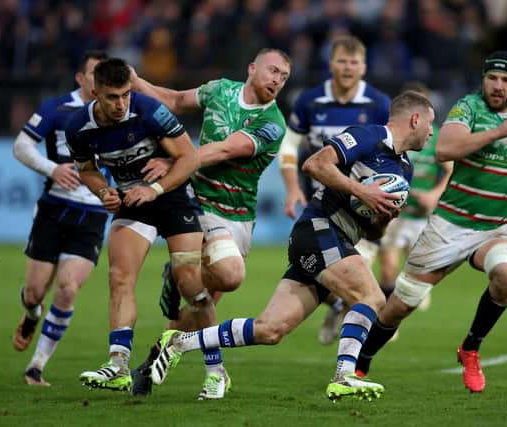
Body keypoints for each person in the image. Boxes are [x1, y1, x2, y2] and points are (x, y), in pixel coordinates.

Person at [148, 91, 435, 401]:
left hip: (338, 240)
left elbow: (374, 233)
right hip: (319, 229)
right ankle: (345, 375)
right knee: (372, 297)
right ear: (415, 119)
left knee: (270, 330)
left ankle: (180, 342)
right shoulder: (368, 135)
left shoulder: (404, 168)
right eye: (431, 124)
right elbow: (315, 164)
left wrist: (383, 217)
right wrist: (361, 192)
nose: (432, 132)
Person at [355, 51, 507, 393]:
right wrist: (499, 131)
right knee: (399, 306)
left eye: (505, 80)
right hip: (449, 225)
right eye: (492, 78)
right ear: (483, 79)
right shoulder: (468, 108)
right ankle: (361, 365)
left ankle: (470, 348)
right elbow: (445, 149)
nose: (497, 86)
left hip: (494, 229)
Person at [128, 48, 292, 399]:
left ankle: (158, 354)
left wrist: (176, 162)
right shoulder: (220, 90)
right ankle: (215, 373)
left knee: (202, 301)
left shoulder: (273, 123)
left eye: (284, 76)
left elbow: (222, 150)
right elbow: (172, 99)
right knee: (229, 277)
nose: (277, 79)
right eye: (273, 70)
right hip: (196, 202)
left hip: (235, 215)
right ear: (252, 68)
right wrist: (135, 81)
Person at [65, 57, 211, 392]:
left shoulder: (148, 110)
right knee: (119, 276)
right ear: (94, 94)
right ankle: (118, 365)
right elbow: (87, 169)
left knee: (190, 282)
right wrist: (104, 191)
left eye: (125, 95)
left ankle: (214, 369)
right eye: (112, 97)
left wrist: (156, 188)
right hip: (133, 202)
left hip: (173, 196)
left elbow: (190, 157)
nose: (120, 104)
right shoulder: (78, 127)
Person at [277, 35, 391, 345]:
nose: (347, 68)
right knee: (325, 272)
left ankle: (348, 322)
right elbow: (289, 146)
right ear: (331, 64)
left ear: (364, 67)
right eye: (341, 61)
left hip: (361, 207)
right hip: (319, 206)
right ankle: (342, 308)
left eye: (354, 62)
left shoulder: (379, 104)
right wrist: (290, 188)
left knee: (352, 271)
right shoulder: (310, 101)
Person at [11, 50, 109, 386]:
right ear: (81, 79)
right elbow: (22, 146)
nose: (101, 80)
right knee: (35, 293)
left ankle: (36, 366)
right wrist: (52, 168)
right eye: (95, 73)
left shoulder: (120, 111)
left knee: (67, 289)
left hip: (93, 213)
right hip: (54, 208)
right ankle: (31, 314)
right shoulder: (56, 108)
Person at [375, 82, 453, 313]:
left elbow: (451, 171)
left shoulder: (436, 137)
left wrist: (433, 195)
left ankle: (410, 292)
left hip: (422, 217)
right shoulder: (389, 136)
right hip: (393, 214)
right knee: (388, 270)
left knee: (418, 275)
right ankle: (387, 320)